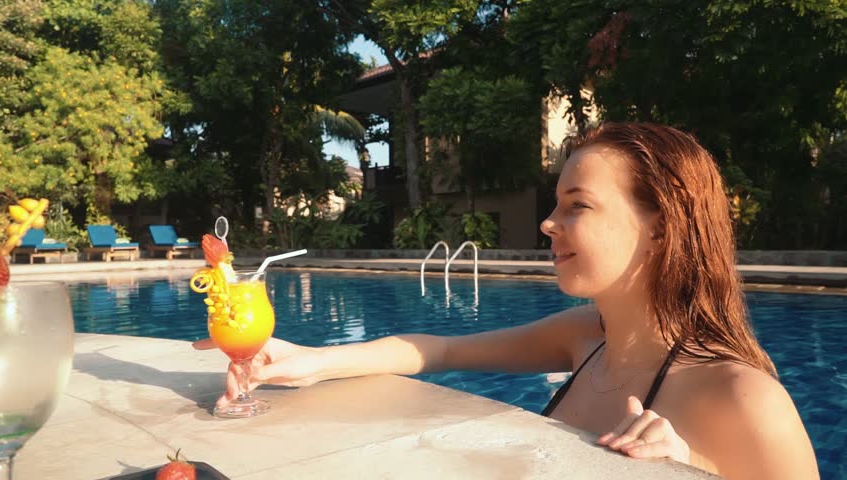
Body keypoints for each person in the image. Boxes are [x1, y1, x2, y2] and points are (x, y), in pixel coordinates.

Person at [194, 122, 818, 479]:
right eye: (555, 205)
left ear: (661, 228)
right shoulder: (586, 337)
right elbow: (437, 349)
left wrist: (688, 468)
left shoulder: (743, 398)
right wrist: (308, 361)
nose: (548, 224)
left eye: (578, 206)